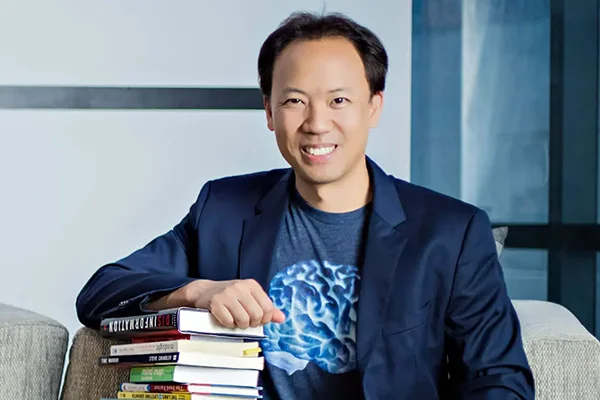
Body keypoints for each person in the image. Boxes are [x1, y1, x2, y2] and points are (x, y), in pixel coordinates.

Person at [76, 11, 535, 400]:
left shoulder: (451, 232)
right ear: (269, 111)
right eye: (295, 101)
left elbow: (500, 380)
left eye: (339, 100)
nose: (317, 123)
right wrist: (198, 291)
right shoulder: (224, 208)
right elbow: (101, 292)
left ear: (374, 107)